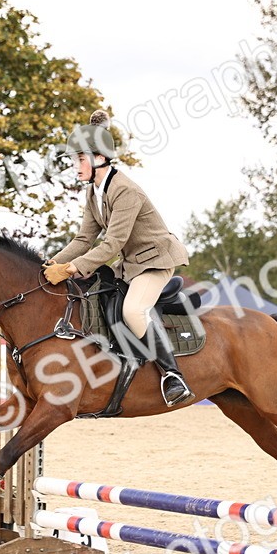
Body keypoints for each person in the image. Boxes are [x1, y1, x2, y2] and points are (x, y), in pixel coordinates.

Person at [43, 109, 194, 408]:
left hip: (155, 260)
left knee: (134, 311)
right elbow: (84, 238)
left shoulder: (125, 190)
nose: (76, 165)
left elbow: (113, 242)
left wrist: (72, 268)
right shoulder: (93, 192)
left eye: (80, 159)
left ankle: (172, 376)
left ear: (99, 158)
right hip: (129, 265)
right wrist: (50, 263)